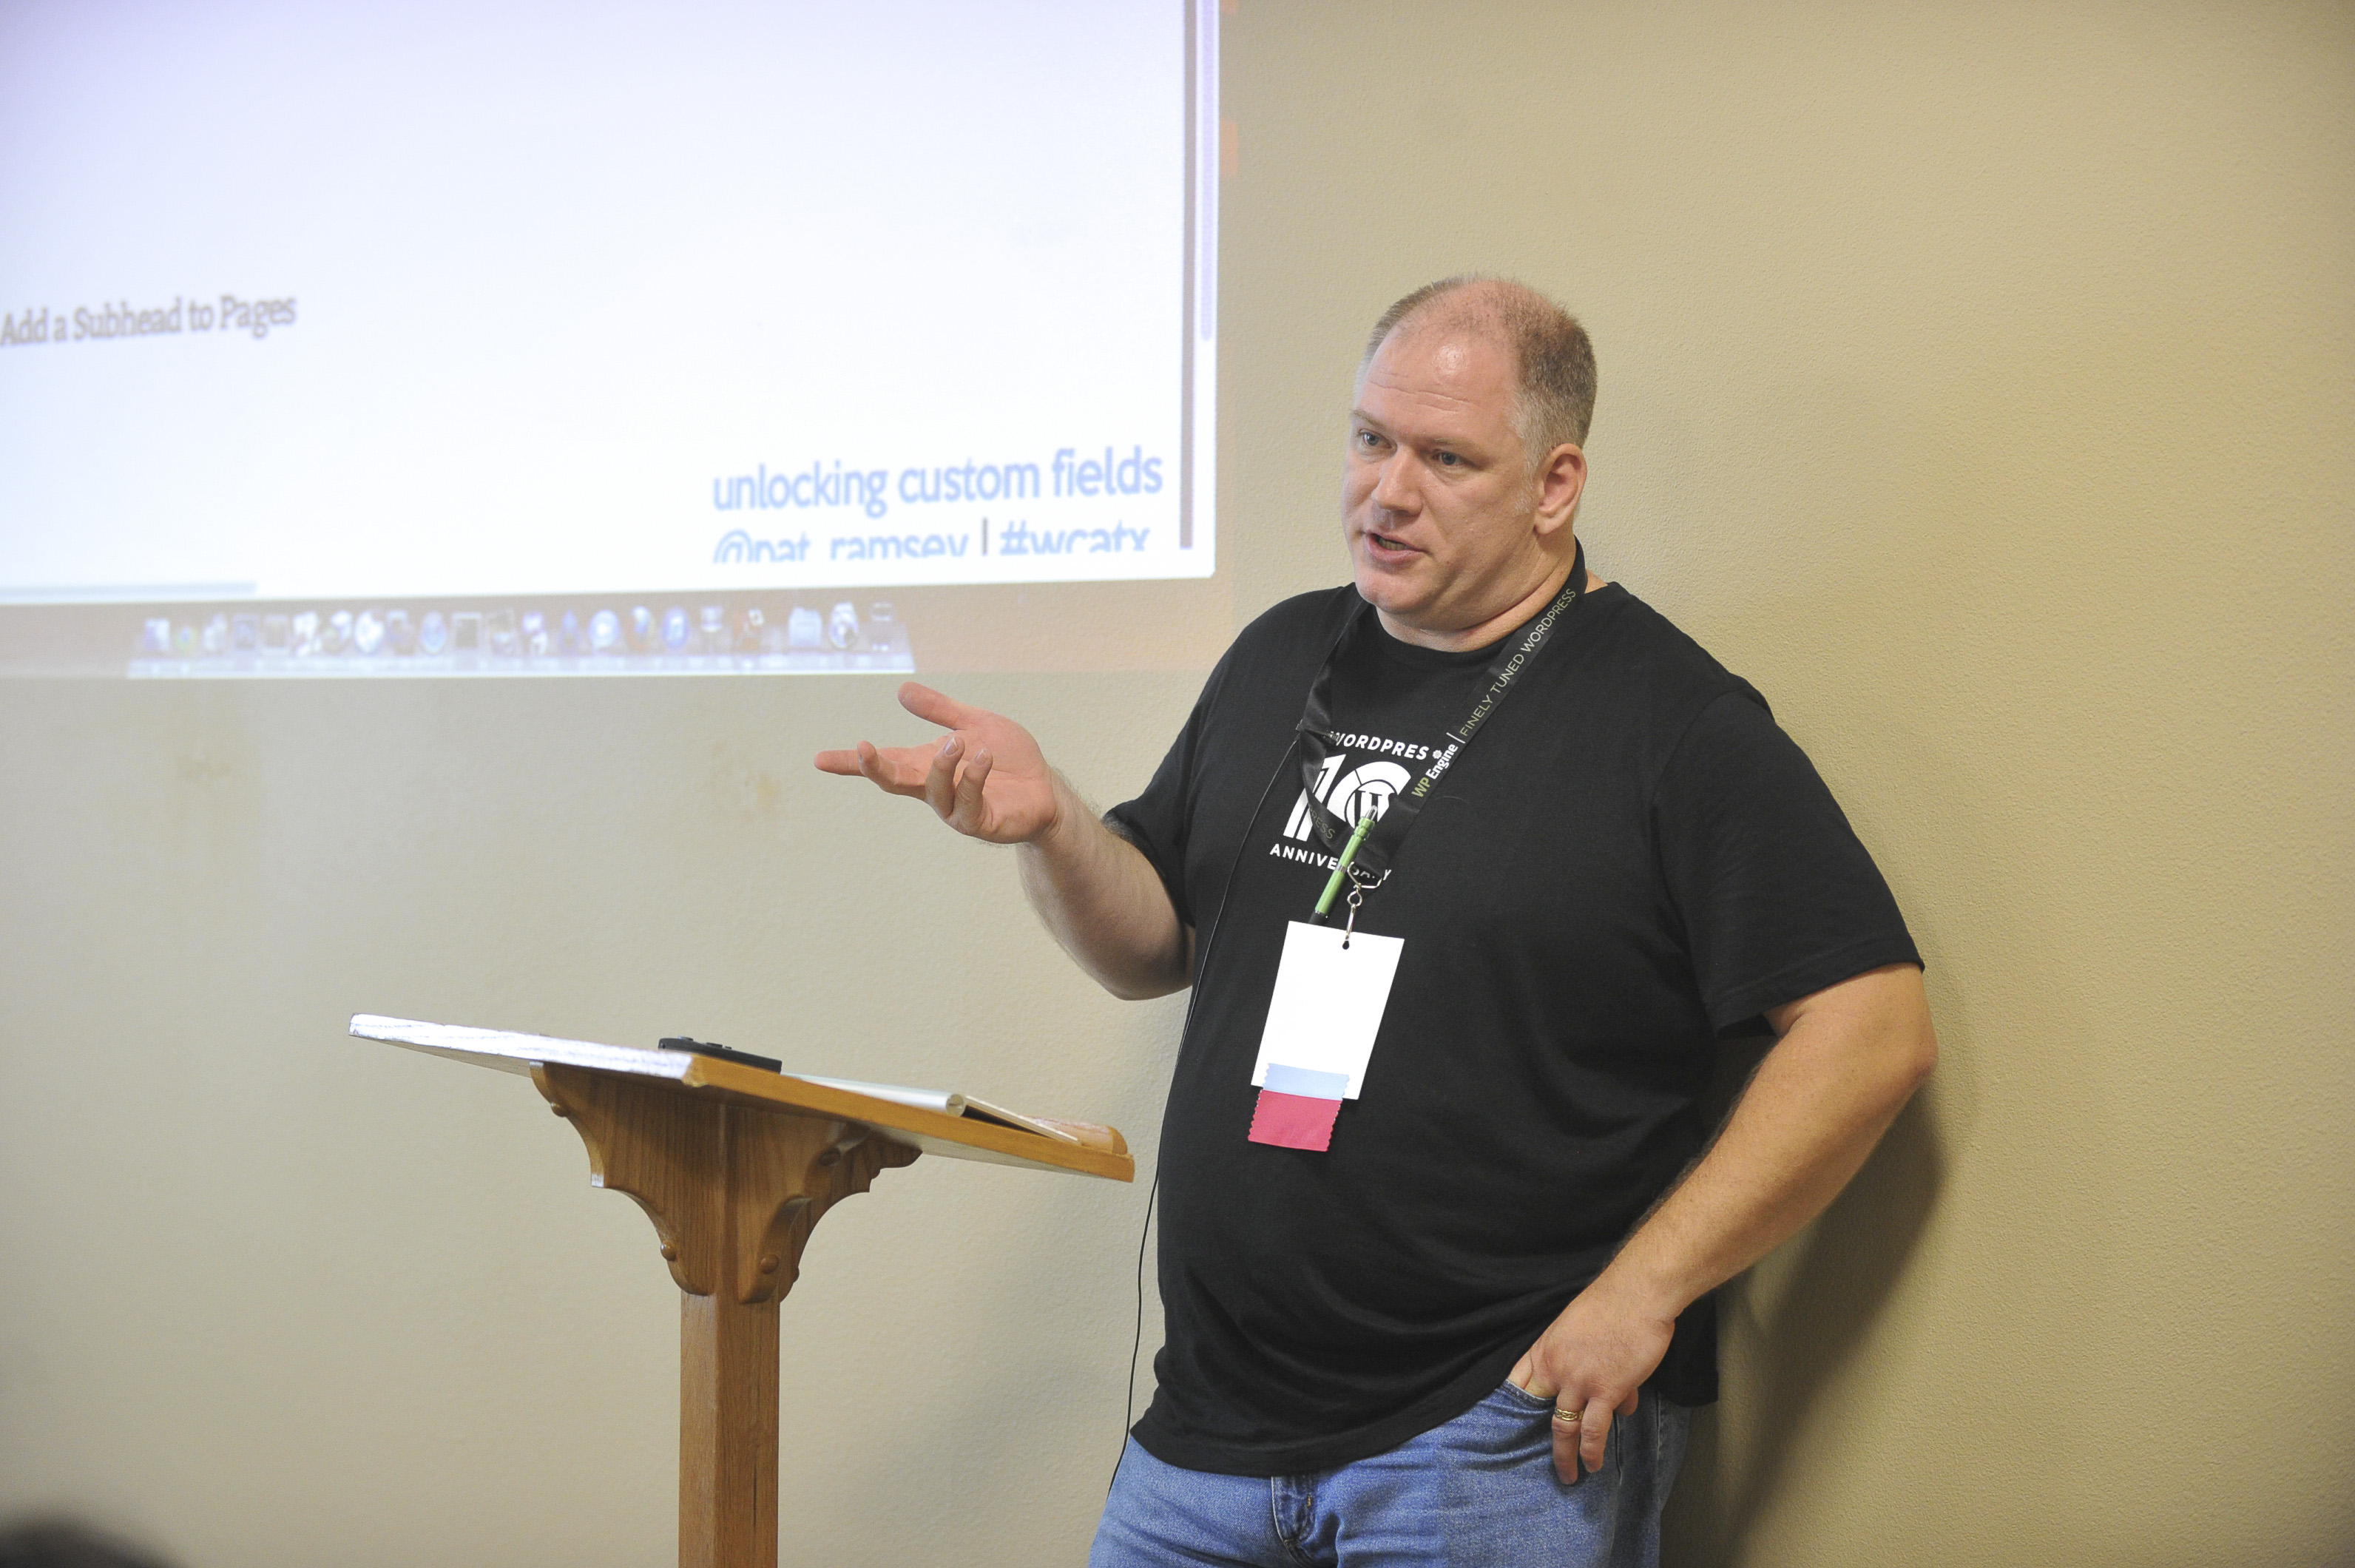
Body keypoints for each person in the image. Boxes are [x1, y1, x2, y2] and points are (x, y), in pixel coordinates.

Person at [817, 276, 1936, 1567]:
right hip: (1208, 1428)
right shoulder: (1283, 653)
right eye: (1369, 439)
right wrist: (1056, 828)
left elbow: (1873, 1029)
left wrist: (1645, 1294)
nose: (1386, 491)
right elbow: (1153, 947)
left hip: (1486, 1439)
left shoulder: (1672, 721)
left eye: (1445, 458)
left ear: (1555, 486)